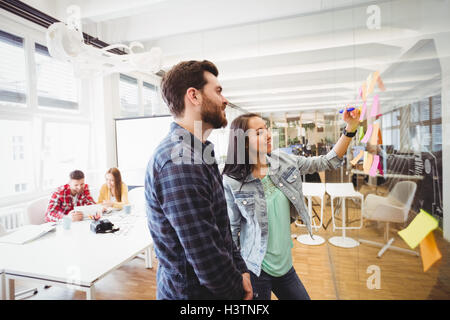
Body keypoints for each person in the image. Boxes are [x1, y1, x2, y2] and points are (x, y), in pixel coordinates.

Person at [222, 110, 360, 300]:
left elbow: (328, 161)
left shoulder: (283, 161)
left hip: (285, 266)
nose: (268, 134)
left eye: (266, 128)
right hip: (256, 269)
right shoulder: (232, 181)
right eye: (259, 132)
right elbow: (231, 230)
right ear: (244, 143)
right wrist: (239, 273)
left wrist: (350, 130)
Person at [145, 60, 252, 300]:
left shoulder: (198, 153)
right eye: (218, 91)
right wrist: (238, 289)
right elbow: (207, 257)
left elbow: (220, 229)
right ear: (193, 96)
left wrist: (241, 269)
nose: (225, 100)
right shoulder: (179, 161)